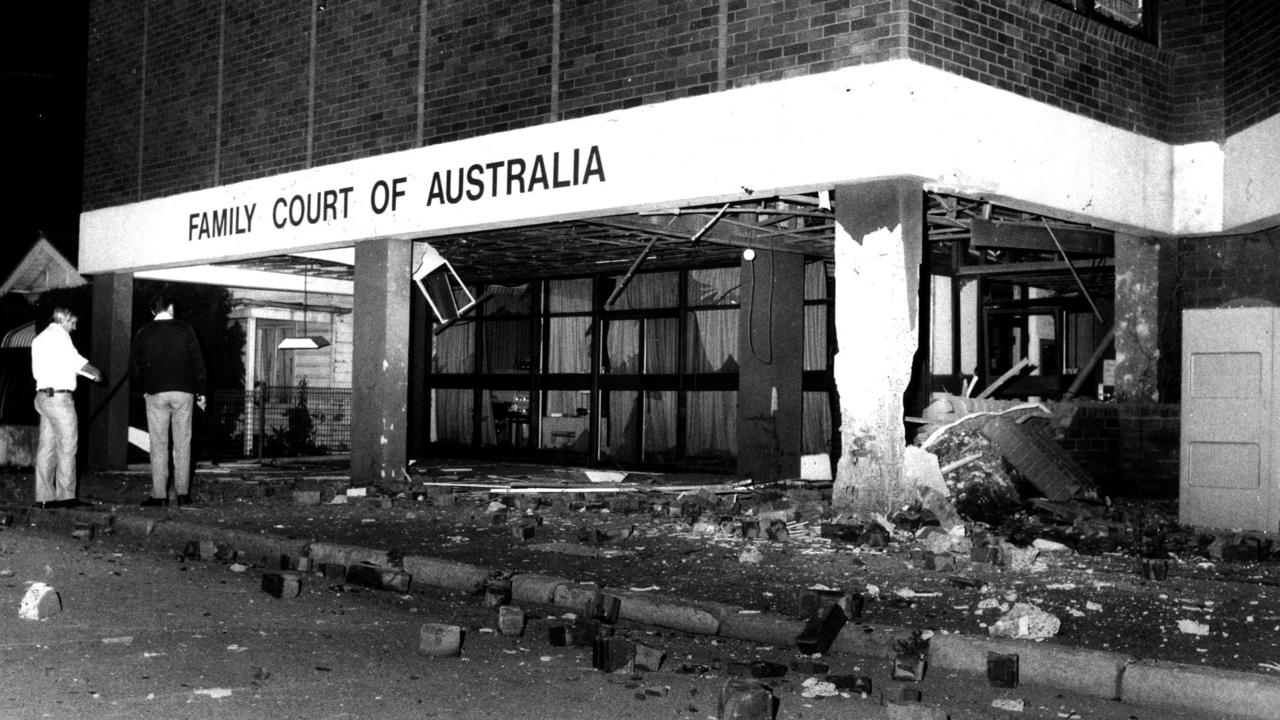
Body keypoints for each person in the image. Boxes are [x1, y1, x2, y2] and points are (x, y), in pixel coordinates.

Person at [131, 293, 207, 507]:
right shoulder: (185, 329)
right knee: (183, 443)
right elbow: (197, 362)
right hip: (184, 392)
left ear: (152, 311)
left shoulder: (143, 332)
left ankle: (159, 495)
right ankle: (183, 493)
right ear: (171, 308)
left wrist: (144, 389)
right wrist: (201, 392)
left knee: (158, 445)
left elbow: (134, 367)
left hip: (155, 392)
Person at [30, 307, 102, 509]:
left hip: (43, 397)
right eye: (73, 322)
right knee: (67, 446)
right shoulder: (61, 337)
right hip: (60, 400)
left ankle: (44, 497)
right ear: (63, 320)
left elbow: (57, 365)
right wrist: (95, 372)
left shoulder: (39, 338)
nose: (75, 326)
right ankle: (66, 497)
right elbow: (75, 362)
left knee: (46, 448)